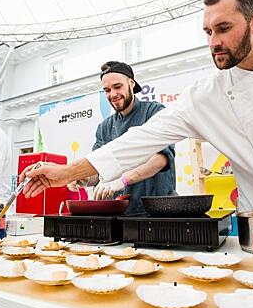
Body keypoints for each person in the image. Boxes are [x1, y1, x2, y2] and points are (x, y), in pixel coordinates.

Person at [19, 0, 253, 234]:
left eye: (224, 29)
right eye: (208, 31)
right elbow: (136, 142)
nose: (214, 42)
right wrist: (65, 173)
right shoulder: (204, 96)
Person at [67, 61, 176, 216]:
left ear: (131, 83)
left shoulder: (153, 111)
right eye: (107, 90)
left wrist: (123, 180)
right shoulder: (104, 128)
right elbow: (97, 171)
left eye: (118, 87)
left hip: (155, 212)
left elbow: (162, 159)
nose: (112, 94)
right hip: (118, 214)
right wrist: (83, 179)